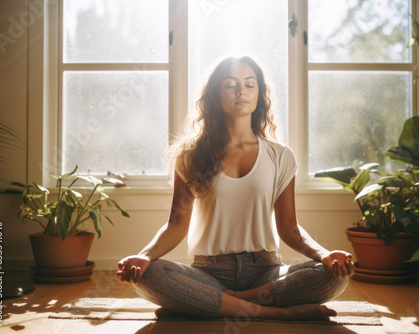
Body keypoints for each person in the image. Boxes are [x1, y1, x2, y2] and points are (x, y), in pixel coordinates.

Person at [117, 56, 355, 321]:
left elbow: (289, 226)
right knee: (150, 275)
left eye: (249, 84)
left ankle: (226, 303)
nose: (241, 91)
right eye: (231, 84)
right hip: (209, 273)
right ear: (215, 95)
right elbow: (176, 225)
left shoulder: (280, 156)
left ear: (259, 94)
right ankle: (273, 313)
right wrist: (144, 256)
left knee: (333, 277)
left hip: (265, 272)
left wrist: (324, 255)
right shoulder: (190, 156)